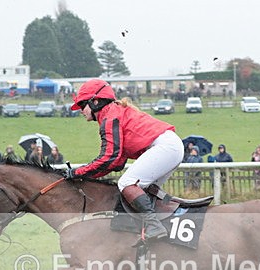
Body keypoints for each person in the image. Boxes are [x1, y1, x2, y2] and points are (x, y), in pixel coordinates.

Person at [66, 78, 184, 240]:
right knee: (141, 191)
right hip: (170, 146)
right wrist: (85, 175)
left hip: (165, 147)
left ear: (95, 101)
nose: (80, 110)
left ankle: (154, 227)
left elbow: (109, 157)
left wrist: (78, 172)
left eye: (82, 105)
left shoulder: (110, 117)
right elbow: (116, 162)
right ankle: (154, 231)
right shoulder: (113, 113)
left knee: (127, 183)